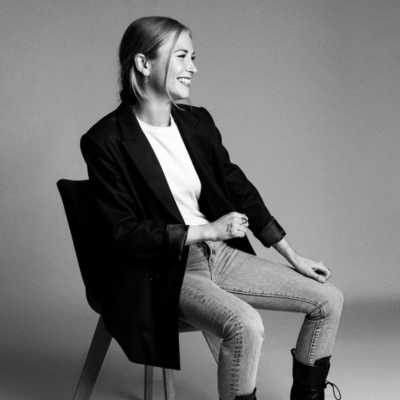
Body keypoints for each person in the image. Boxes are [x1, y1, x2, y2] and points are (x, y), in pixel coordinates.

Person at [81, 16, 343, 400]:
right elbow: (124, 233)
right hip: (162, 271)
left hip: (219, 255)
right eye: (182, 56)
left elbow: (237, 187)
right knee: (245, 325)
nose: (193, 67)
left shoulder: (196, 122)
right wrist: (208, 229)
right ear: (143, 63)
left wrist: (291, 254)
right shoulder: (105, 140)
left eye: (194, 57)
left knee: (329, 300)